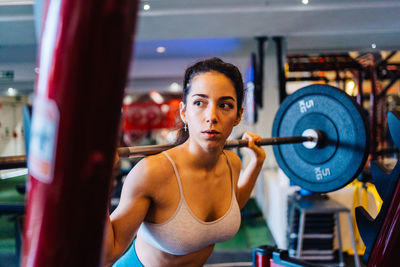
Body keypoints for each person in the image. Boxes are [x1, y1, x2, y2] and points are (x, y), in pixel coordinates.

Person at [104, 58, 266, 266]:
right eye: (199, 103)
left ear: (238, 115)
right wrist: (100, 184)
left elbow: (231, 205)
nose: (211, 116)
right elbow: (109, 253)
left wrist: (257, 162)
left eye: (225, 105)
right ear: (184, 112)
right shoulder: (153, 172)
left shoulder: (231, 163)